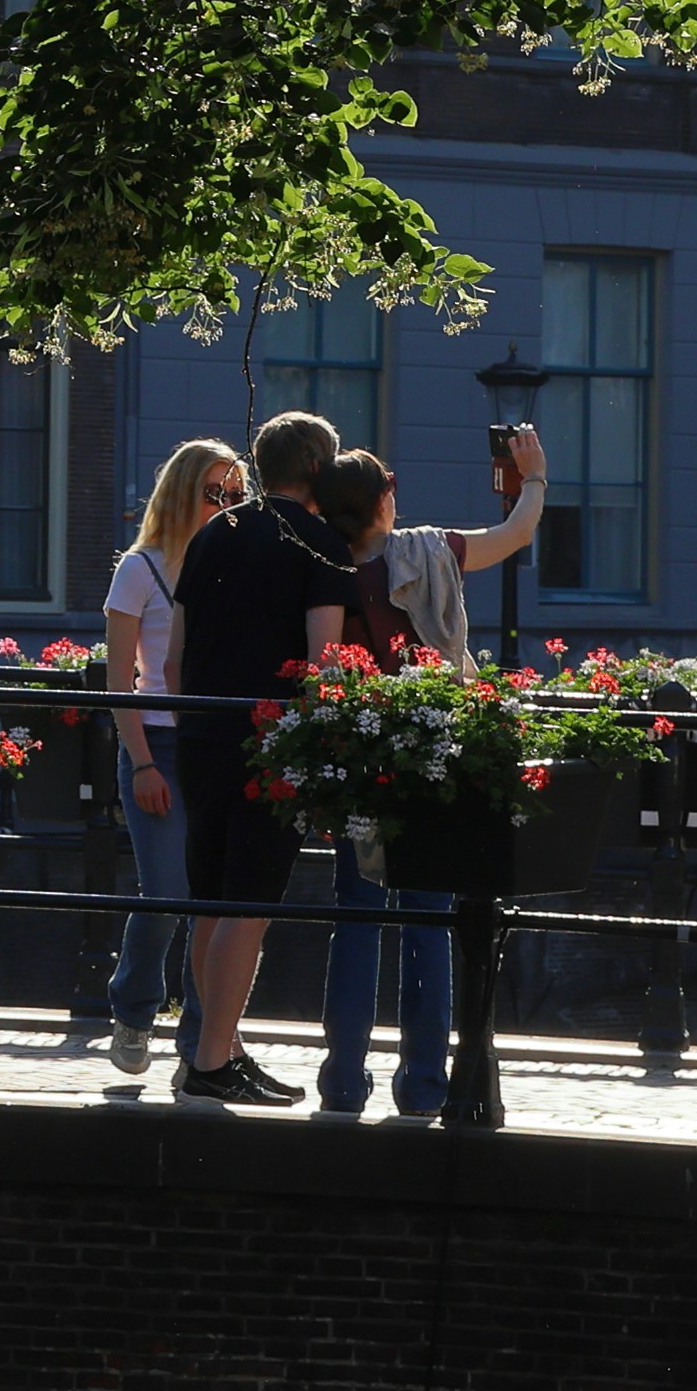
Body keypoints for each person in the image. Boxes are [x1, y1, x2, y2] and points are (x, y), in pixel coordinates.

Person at [304, 430, 542, 1117]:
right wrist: (535, 476)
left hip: (359, 756)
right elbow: (516, 533)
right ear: (385, 498)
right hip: (434, 753)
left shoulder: (325, 571)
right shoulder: (432, 550)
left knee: (355, 914)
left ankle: (343, 1081)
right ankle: (424, 1085)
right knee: (429, 920)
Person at [160, 409, 364, 1105]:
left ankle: (217, 1044)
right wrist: (322, 757)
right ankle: (213, 1060)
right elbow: (325, 665)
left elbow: (171, 657)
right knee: (249, 906)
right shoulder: (322, 546)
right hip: (270, 743)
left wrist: (195, 722)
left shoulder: (217, 530)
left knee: (211, 903)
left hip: (201, 736)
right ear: (316, 469)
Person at [92, 439, 247, 1075]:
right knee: (166, 888)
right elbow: (119, 677)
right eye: (217, 493)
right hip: (157, 740)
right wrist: (143, 762)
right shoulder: (140, 568)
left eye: (238, 495)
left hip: (213, 740)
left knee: (213, 895)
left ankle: (199, 1040)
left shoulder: (234, 565)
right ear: (184, 492)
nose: (229, 505)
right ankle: (133, 1009)